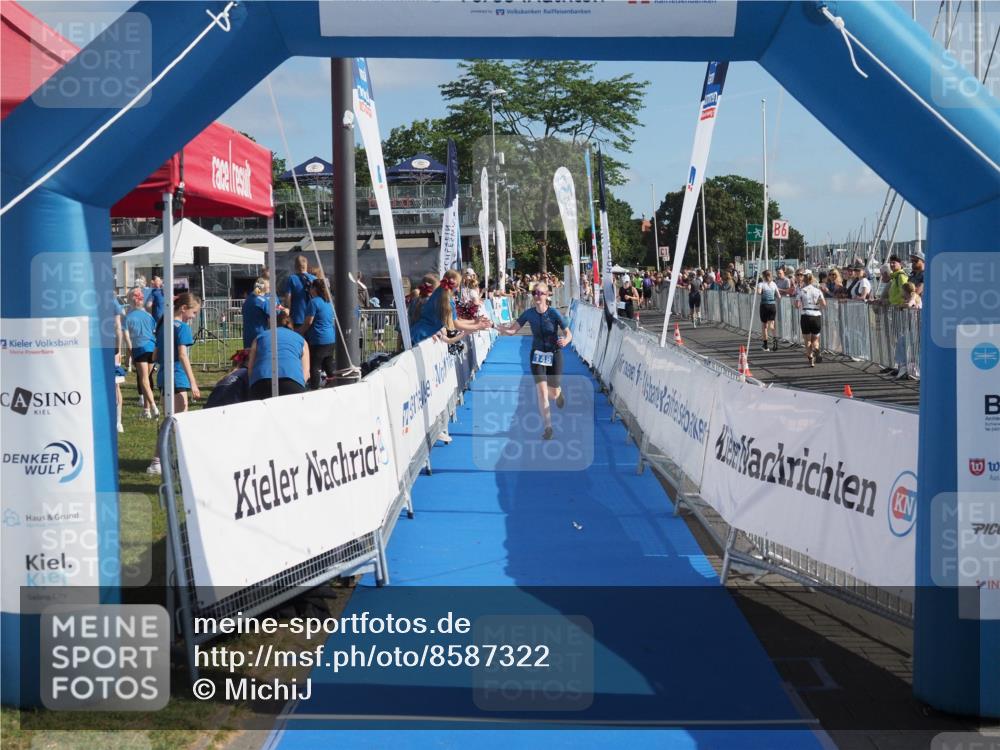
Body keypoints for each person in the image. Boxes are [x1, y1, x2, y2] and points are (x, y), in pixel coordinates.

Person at [497, 281, 572, 441]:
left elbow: (568, 333)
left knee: (552, 392)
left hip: (554, 354)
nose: (537, 296)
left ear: (547, 296)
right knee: (542, 392)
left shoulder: (554, 313)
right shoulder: (528, 313)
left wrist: (565, 341)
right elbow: (511, 331)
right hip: (537, 355)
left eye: (540, 293)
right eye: (534, 293)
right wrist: (494, 326)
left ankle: (558, 394)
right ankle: (548, 427)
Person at [147, 293, 201, 475]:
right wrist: (193, 382)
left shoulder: (164, 324)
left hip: (164, 376)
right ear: (184, 309)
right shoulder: (182, 328)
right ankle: (161, 461)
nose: (194, 317)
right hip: (177, 376)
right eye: (194, 313)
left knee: (171, 420)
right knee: (178, 422)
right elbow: (183, 355)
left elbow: (154, 355)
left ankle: (164, 460)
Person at [410, 269, 491, 346]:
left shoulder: (439, 293)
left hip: (418, 334)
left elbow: (456, 321)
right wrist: (477, 326)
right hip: (421, 337)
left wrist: (474, 322)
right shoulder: (447, 299)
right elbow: (456, 325)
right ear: (456, 286)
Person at [247, 311, 309, 399]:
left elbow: (250, 367)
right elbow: (306, 372)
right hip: (292, 382)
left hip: (261, 381)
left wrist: (252, 386)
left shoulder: (260, 337)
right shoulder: (301, 340)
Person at [125, 287, 158, 419]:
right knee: (147, 379)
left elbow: (127, 340)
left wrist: (129, 357)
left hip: (140, 348)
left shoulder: (128, 317)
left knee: (144, 380)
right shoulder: (149, 316)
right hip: (152, 348)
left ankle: (154, 407)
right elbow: (154, 331)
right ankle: (146, 410)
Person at [298, 278, 336, 389]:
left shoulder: (313, 302)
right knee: (329, 365)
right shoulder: (328, 302)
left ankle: (314, 390)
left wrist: (298, 332)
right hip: (330, 339)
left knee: (315, 366)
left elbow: (308, 322)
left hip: (318, 339)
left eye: (310, 287)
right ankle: (334, 386)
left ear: (314, 289)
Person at [795, 270, 827, 367]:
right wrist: (817, 304)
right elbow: (824, 305)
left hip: (805, 314)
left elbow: (797, 305)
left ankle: (811, 359)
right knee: (815, 339)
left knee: (807, 340)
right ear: (812, 279)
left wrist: (799, 303)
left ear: (804, 280)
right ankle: (816, 348)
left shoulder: (801, 291)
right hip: (816, 315)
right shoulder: (818, 291)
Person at [282, 255, 316, 327]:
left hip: (297, 318)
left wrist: (287, 312)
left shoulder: (291, 279)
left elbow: (288, 298)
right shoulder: (314, 279)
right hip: (312, 318)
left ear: (295, 266)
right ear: (306, 265)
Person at [242, 277, 271, 350]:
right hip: (260, 335)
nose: (269, 289)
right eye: (269, 287)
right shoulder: (263, 301)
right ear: (264, 288)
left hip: (247, 336)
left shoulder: (248, 300)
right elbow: (274, 315)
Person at [757, 269, 779, 351]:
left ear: (763, 276)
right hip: (772, 305)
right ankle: (775, 340)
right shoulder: (774, 284)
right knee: (771, 325)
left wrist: (758, 290)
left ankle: (765, 345)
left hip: (764, 305)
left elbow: (759, 292)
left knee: (764, 326)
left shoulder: (761, 284)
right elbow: (779, 295)